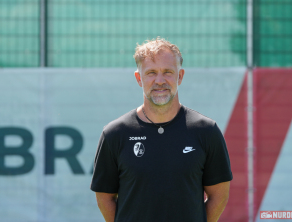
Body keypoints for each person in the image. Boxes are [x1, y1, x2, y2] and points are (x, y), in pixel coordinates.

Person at [90, 37, 233, 222]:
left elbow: (219, 196)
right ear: (138, 78)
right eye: (151, 73)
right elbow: (104, 197)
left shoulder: (206, 131)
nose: (160, 81)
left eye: (167, 72)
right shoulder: (114, 134)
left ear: (179, 76)